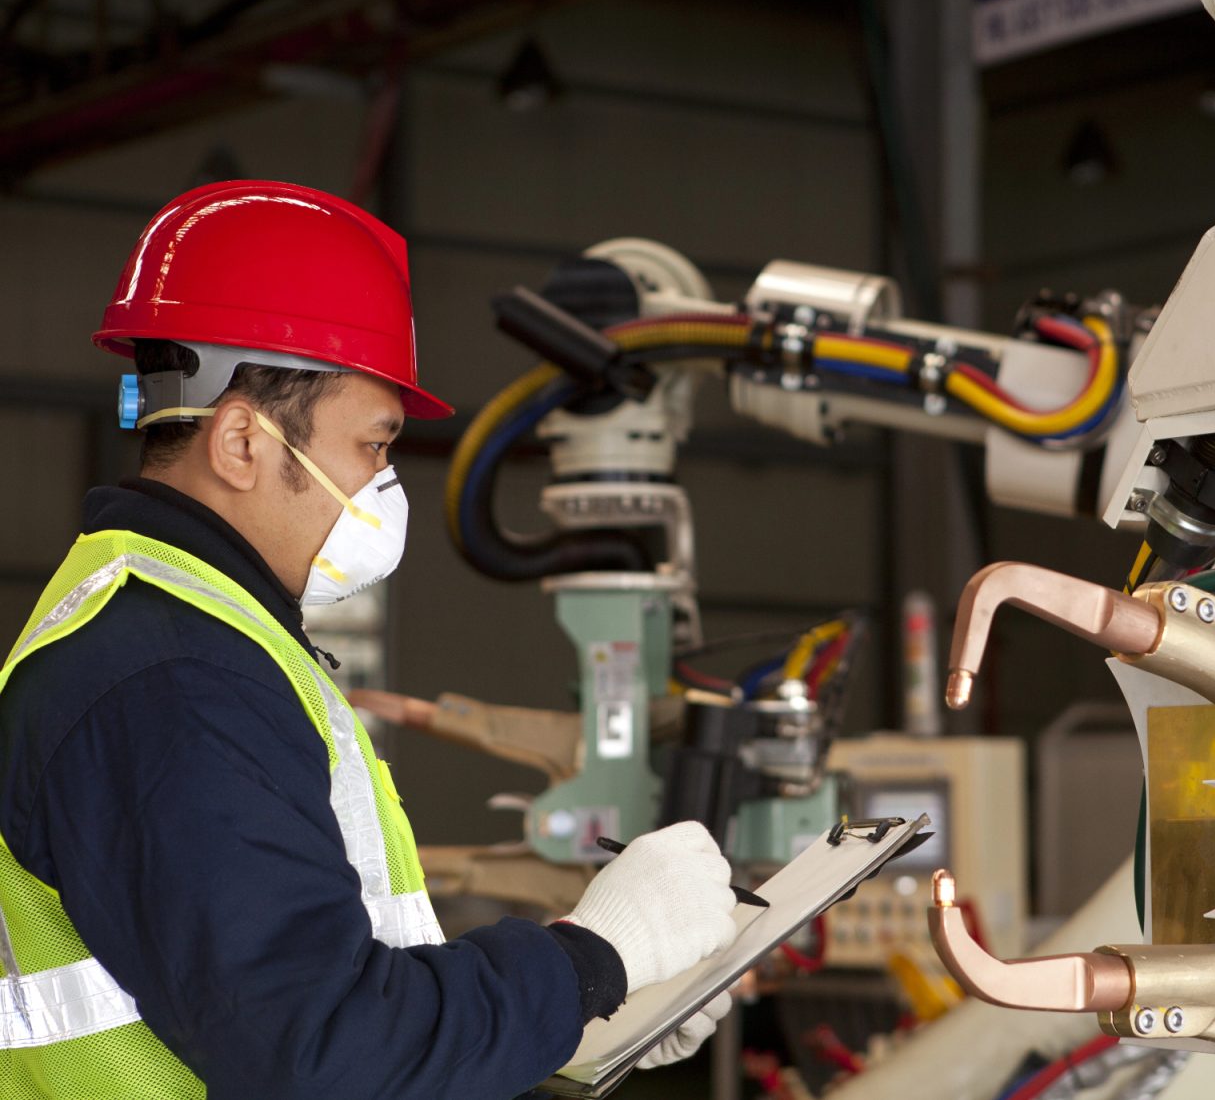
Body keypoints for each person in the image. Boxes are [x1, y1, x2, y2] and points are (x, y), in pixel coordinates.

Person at [0, 180, 739, 1099]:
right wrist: (587, 963)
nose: (384, 487)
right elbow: (321, 1053)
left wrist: (582, 1026)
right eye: (375, 447)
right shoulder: (174, 681)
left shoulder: (181, 634)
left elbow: (310, 1017)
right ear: (241, 443)